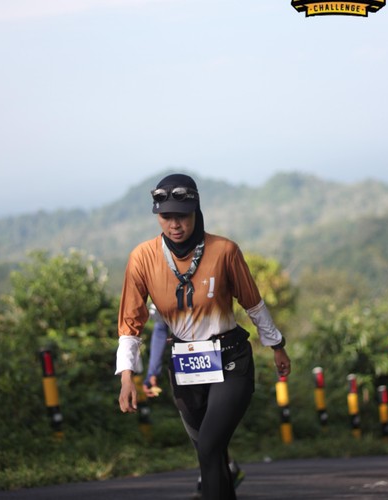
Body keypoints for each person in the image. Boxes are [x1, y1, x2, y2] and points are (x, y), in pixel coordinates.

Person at [116, 173, 291, 500]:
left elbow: (253, 304)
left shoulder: (224, 251)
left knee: (210, 445)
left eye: (182, 215)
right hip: (185, 366)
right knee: (210, 454)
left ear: (196, 211)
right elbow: (130, 324)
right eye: (166, 216)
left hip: (231, 360)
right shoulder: (142, 258)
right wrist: (127, 376)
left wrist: (276, 345)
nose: (174, 224)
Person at [143, 305, 245, 498]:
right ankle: (222, 468)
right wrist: (152, 372)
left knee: (213, 423)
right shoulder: (160, 290)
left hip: (219, 354)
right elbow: (161, 328)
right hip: (186, 362)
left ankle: (219, 472)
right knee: (198, 424)